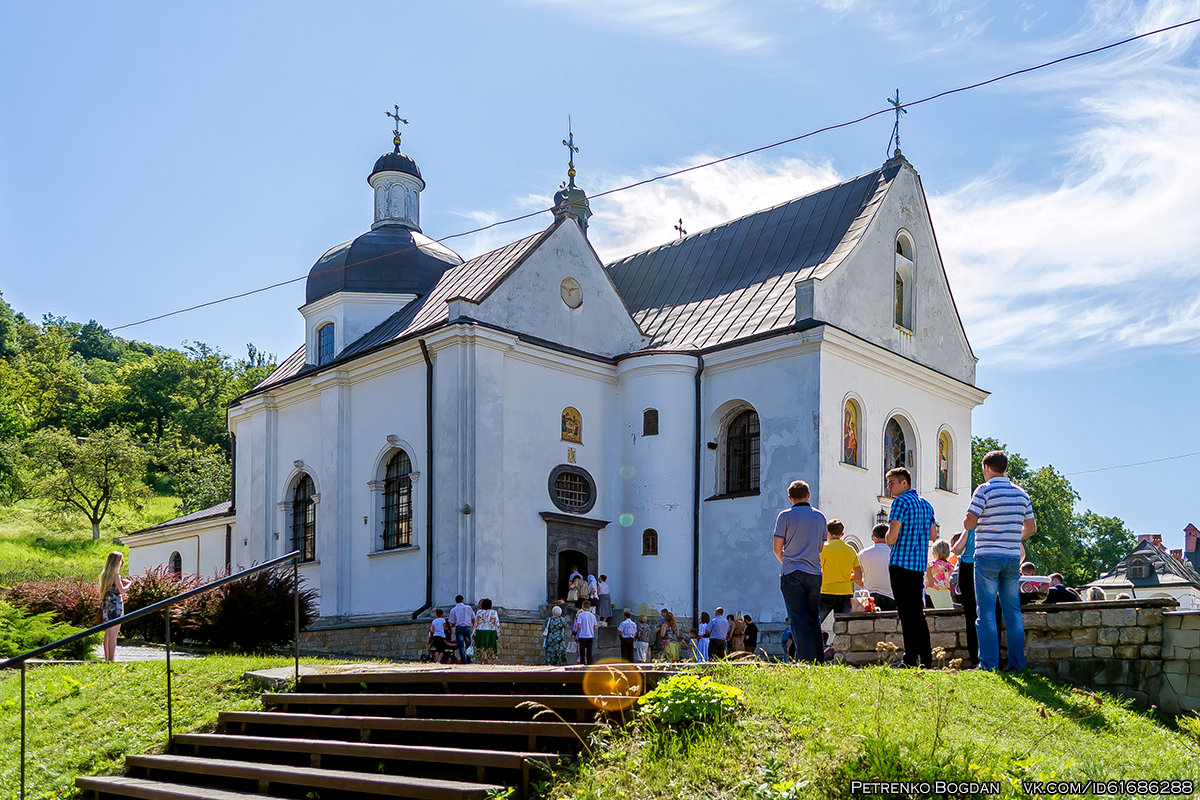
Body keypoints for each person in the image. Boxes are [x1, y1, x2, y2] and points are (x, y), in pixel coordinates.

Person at [965, 449, 1037, 673]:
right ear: (1005, 468)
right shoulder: (1021, 493)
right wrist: (1013, 535)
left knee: (985, 612)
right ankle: (1017, 664)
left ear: (987, 468)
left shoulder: (984, 490)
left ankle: (988, 664)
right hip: (1012, 557)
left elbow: (969, 523)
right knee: (1012, 611)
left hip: (987, 555)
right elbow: (1031, 528)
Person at [885, 467, 938, 668]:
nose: (889, 487)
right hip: (918, 565)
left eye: (892, 482)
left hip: (900, 562)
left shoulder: (900, 502)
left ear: (904, 483)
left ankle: (909, 659)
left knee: (906, 614)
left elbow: (893, 535)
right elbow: (933, 535)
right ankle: (926, 658)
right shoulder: (926, 504)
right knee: (918, 613)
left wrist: (889, 540)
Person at [773, 480, 827, 663]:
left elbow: (777, 547)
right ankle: (818, 658)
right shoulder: (820, 517)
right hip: (814, 572)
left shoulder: (785, 516)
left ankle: (804, 659)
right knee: (813, 617)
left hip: (792, 571)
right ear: (808, 495)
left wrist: (787, 561)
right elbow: (820, 547)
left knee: (797, 618)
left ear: (790, 498)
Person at [819, 519, 862, 624]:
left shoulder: (822, 549)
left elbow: (817, 571)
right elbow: (858, 576)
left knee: (815, 623)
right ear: (842, 534)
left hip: (826, 591)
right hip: (846, 592)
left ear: (827, 532)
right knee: (844, 626)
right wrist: (846, 577)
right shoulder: (850, 549)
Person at [950, 528, 979, 667]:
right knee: (992, 613)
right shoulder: (997, 526)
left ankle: (975, 658)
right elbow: (1021, 552)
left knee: (971, 615)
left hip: (968, 566)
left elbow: (957, 549)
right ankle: (994, 657)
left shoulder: (971, 527)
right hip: (989, 564)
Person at [99, 551, 131, 662]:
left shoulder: (105, 575)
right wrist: (129, 584)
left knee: (108, 633)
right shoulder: (116, 574)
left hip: (107, 604)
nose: (123, 562)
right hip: (116, 604)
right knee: (114, 633)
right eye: (121, 560)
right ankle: (111, 659)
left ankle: (107, 658)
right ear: (117, 562)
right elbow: (122, 590)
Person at [858, 523, 896, 611]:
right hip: (891, 596)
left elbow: (857, 577)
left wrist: (864, 585)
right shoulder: (895, 554)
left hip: (870, 598)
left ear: (873, 536)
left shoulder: (863, 554)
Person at [926, 540, 955, 609]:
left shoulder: (932, 565)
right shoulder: (951, 567)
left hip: (934, 597)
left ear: (935, 552)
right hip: (948, 599)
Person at [449, 594, 475, 664]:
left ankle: (464, 660)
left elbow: (451, 622)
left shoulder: (453, 609)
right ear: (463, 600)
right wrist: (471, 623)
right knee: (468, 645)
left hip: (459, 627)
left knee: (460, 645)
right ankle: (469, 660)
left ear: (456, 601)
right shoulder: (468, 607)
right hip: (467, 627)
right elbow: (473, 617)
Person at [472, 598, 499, 662]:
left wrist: (473, 633)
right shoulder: (494, 612)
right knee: (490, 645)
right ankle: (489, 660)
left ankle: (482, 659)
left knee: (481, 645)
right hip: (491, 631)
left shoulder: (479, 612)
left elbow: (476, 623)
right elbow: (497, 623)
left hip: (480, 631)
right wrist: (498, 633)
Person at [574, 599, 598, 665]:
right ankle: (589, 663)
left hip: (582, 635)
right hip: (590, 635)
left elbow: (578, 626)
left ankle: (583, 663)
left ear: (583, 606)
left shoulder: (580, 615)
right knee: (589, 651)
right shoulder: (593, 616)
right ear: (589, 607)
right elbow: (595, 627)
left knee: (582, 652)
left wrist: (583, 628)